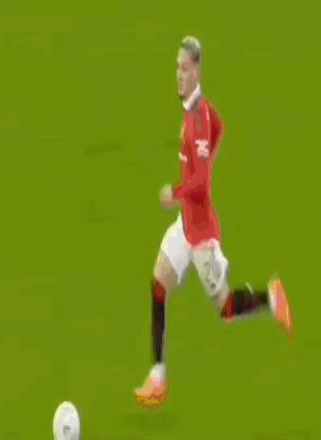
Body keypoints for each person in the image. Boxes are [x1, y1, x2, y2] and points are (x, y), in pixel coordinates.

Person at [134, 36, 293, 408]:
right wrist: (203, 164)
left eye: (184, 69)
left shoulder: (195, 119)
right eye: (176, 68)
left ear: (197, 71)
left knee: (226, 308)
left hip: (202, 235)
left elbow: (202, 184)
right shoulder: (200, 111)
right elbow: (219, 126)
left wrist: (174, 193)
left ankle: (271, 297)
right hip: (185, 227)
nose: (178, 75)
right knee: (158, 284)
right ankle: (158, 377)